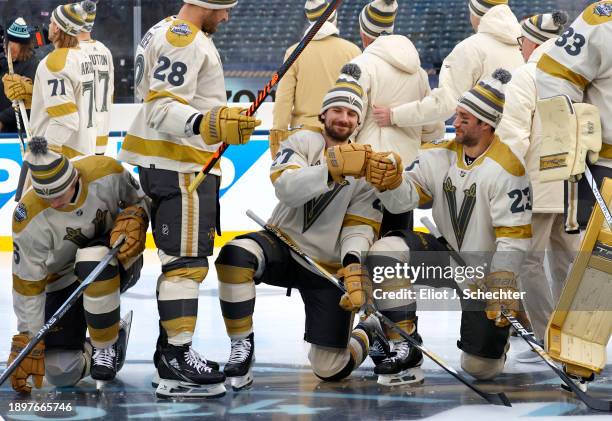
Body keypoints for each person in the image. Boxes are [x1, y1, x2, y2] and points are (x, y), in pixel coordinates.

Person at [118, 0, 260, 398]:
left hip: (172, 164)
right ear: (207, 6)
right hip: (182, 167)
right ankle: (176, 360)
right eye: (224, 9)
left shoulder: (164, 29)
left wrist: (214, 115)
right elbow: (163, 107)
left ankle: (171, 352)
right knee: (185, 267)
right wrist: (208, 122)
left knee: (182, 264)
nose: (227, 16)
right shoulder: (185, 39)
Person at [215, 69, 384, 390]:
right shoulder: (302, 140)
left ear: (358, 123)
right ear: (323, 113)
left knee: (330, 369)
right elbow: (287, 188)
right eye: (337, 110)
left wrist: (351, 263)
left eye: (352, 113)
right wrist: (331, 168)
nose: (344, 118)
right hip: (282, 244)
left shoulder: (367, 167)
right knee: (234, 256)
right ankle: (241, 346)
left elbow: (359, 226)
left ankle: (368, 331)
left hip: (326, 267)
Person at [364, 70, 532, 384]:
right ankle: (404, 343)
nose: (457, 120)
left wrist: (503, 279)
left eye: (465, 117)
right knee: (386, 253)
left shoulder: (509, 168)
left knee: (480, 368)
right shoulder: (439, 154)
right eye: (458, 113)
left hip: (484, 271)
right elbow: (403, 202)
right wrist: (391, 184)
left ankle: (508, 320)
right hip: (447, 257)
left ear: (486, 123)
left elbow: (515, 238)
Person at [8, 137, 148, 393]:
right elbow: (28, 284)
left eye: (60, 194)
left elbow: (141, 201)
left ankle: (106, 348)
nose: (54, 204)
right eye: (46, 197)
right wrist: (29, 336)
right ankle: (109, 338)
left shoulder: (105, 171)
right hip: (61, 281)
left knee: (91, 259)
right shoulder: (28, 217)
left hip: (114, 261)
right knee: (61, 371)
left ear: (74, 179)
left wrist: (138, 216)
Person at [496, 11, 579, 357]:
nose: (520, 49)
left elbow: (513, 137)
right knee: (569, 261)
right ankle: (575, 335)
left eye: (521, 42)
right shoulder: (578, 77)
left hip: (538, 185)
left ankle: (549, 335)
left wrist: (505, 183)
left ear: (533, 41)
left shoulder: (526, 76)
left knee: (530, 262)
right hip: (576, 186)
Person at [350, 0, 445, 235]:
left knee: (360, 241)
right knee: (397, 244)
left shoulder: (359, 67)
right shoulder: (419, 72)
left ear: (364, 33)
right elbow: (433, 128)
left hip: (366, 172)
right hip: (405, 175)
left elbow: (347, 122)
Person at [372, 0, 523, 130]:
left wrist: (394, 116)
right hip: (519, 143)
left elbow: (445, 104)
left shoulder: (471, 48)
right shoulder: (522, 46)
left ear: (476, 13)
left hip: (486, 148)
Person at [536, 1, 612, 230]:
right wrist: (571, 133)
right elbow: (554, 74)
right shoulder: (604, 19)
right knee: (602, 261)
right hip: (607, 166)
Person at [3, 2, 97, 158]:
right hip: (84, 148)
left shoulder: (54, 62)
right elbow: (69, 99)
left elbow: (66, 120)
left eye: (52, 21)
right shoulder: (83, 57)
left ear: (58, 28)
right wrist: (33, 96)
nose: (49, 24)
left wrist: (41, 153)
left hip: (61, 155)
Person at [269, 0, 361, 157]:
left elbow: (283, 100)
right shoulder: (353, 51)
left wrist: (278, 134)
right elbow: (361, 98)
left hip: (304, 134)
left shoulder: (294, 52)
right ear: (333, 18)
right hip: (341, 135)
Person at [77, 0, 115, 155]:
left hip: (80, 138)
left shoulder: (72, 52)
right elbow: (111, 92)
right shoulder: (105, 51)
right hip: (101, 135)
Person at [0, 17, 38, 133]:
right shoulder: (6, 64)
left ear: (23, 46)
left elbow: (27, 102)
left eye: (14, 43)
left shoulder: (32, 66)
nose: (9, 46)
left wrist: (2, 119)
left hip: (18, 132)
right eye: (8, 42)